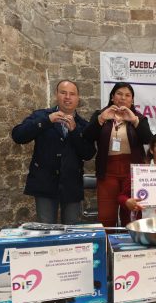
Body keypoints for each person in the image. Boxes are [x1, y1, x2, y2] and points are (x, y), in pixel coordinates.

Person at [11, 79, 96, 224]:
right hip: (45, 183)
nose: (67, 97)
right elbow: (18, 136)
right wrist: (47, 121)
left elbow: (88, 154)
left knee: (72, 229)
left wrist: (75, 131)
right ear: (56, 95)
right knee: (46, 229)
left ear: (77, 98)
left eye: (72, 94)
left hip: (71, 185)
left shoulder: (84, 125)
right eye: (63, 93)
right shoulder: (41, 116)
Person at [82, 82, 153, 226]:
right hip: (107, 170)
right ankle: (108, 240)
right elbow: (87, 136)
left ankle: (130, 240)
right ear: (112, 97)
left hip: (132, 172)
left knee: (131, 216)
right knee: (106, 215)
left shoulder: (139, 118)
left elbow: (148, 139)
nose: (123, 98)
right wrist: (101, 119)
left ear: (132, 100)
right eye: (119, 94)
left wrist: (134, 121)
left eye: (127, 95)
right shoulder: (100, 115)